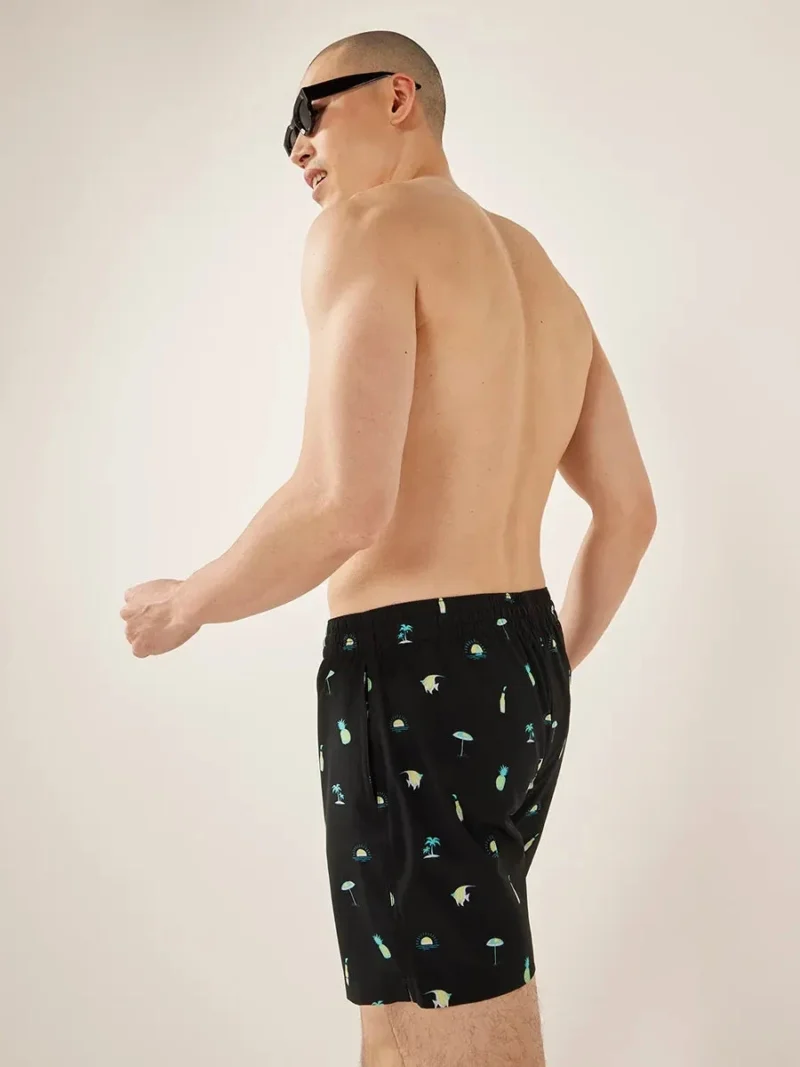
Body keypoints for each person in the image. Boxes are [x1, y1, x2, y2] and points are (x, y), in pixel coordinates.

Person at [120, 28, 657, 1067]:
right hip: (521, 657)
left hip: (410, 661)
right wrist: (537, 668)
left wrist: (188, 602)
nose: (296, 147)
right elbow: (629, 512)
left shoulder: (366, 228)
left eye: (308, 114)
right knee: (410, 1016)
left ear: (397, 96)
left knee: (456, 1026)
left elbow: (342, 502)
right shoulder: (542, 272)